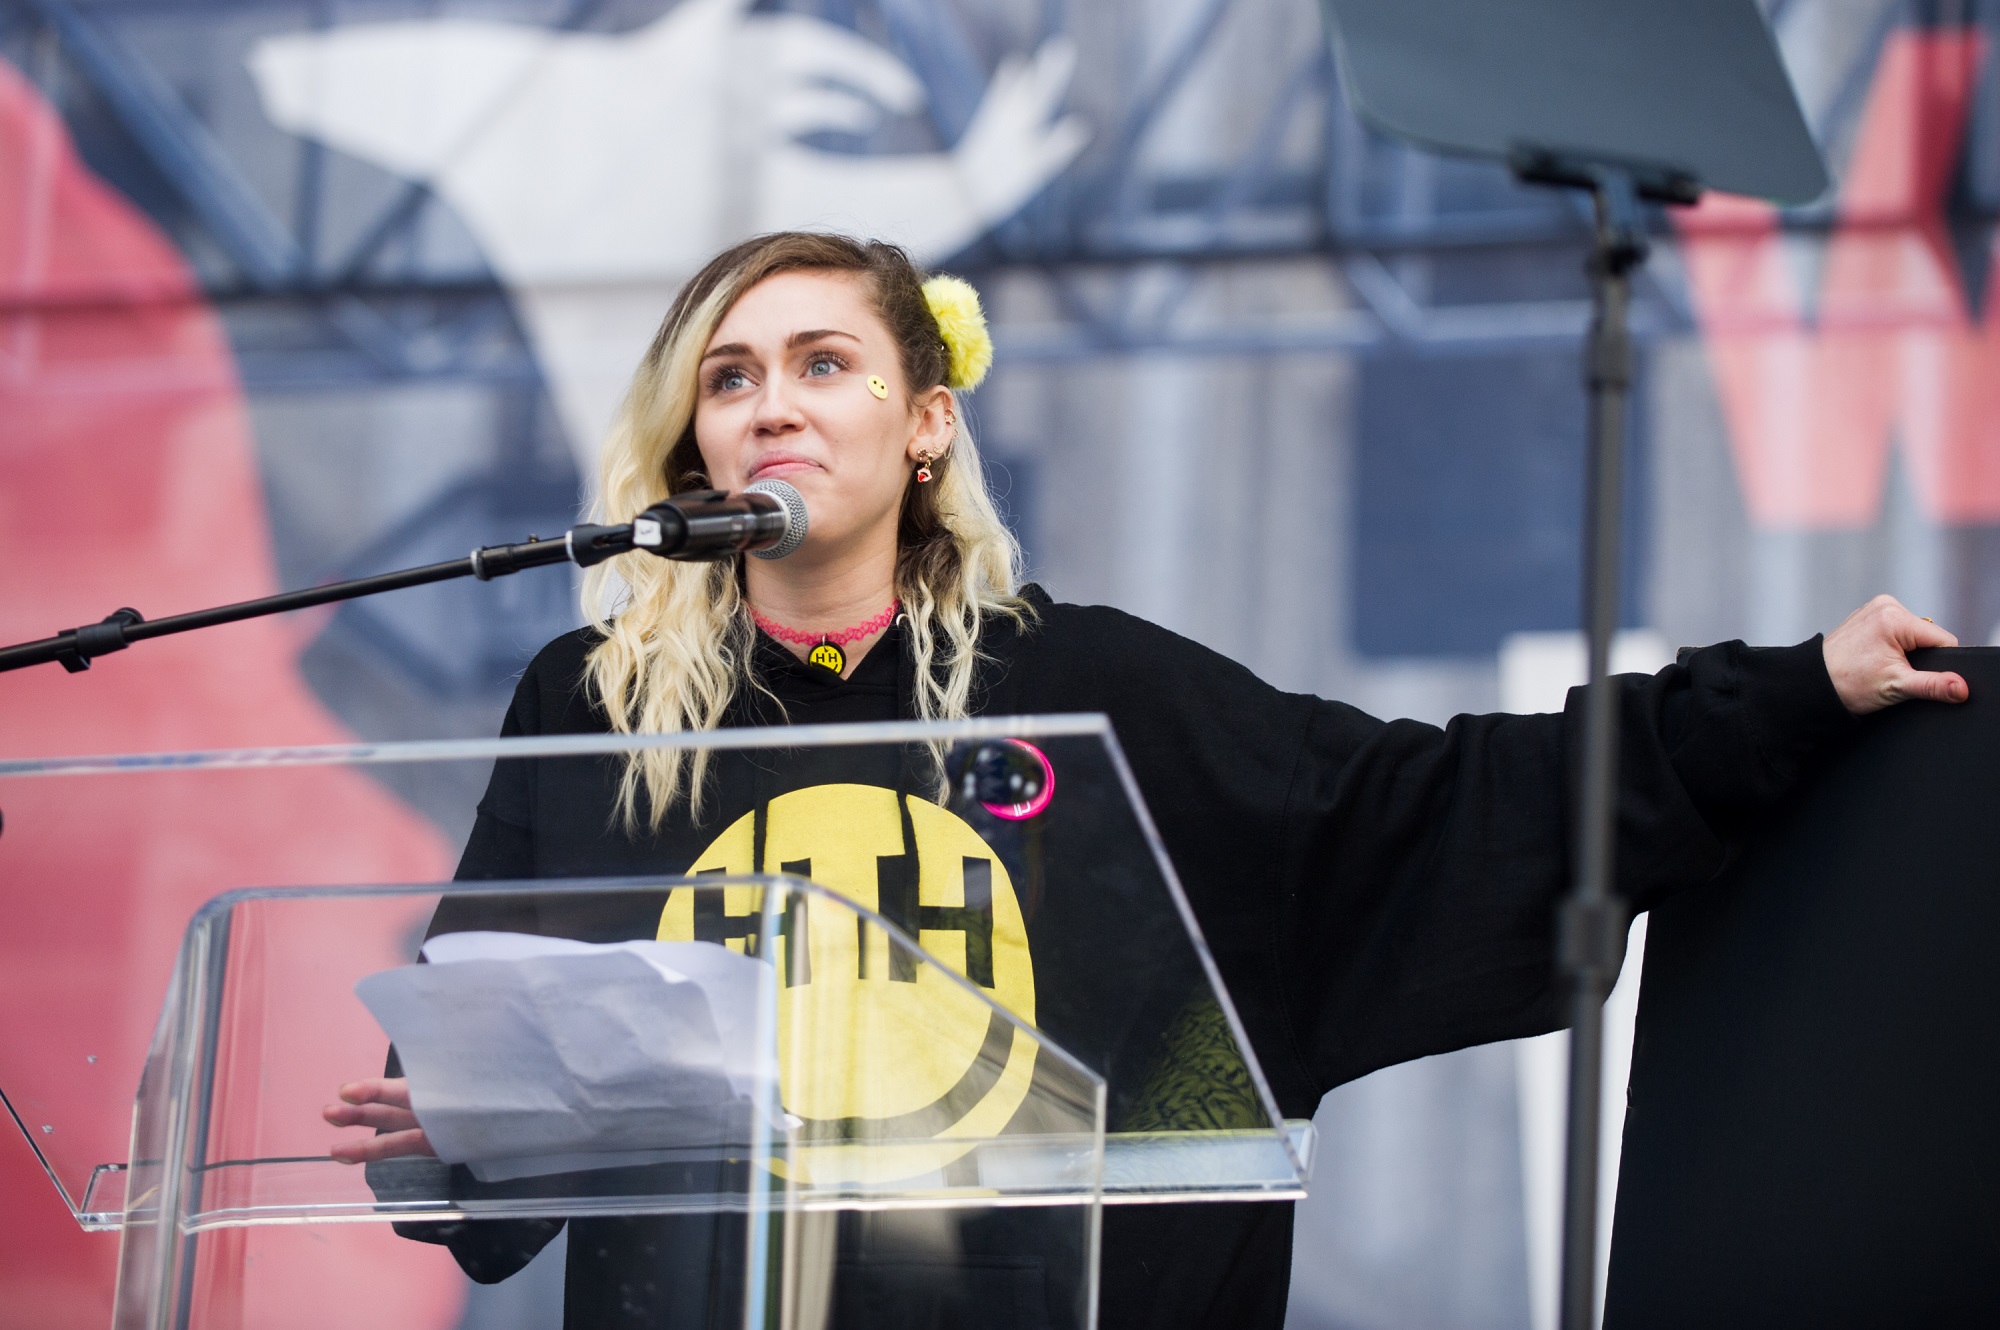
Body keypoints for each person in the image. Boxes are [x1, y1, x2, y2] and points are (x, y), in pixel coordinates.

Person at [324, 231, 1967, 1330]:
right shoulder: (597, 711)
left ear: (924, 423)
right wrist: (450, 1132)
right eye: (733, 377)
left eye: (824, 364)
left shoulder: (1090, 689)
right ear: (691, 447)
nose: (771, 408)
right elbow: (486, 1115)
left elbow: (1428, 812)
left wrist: (1784, 696)